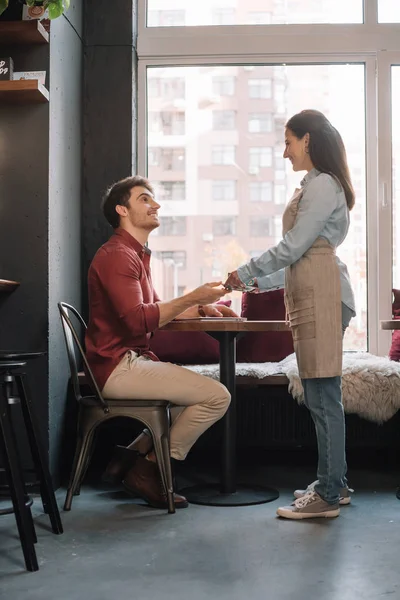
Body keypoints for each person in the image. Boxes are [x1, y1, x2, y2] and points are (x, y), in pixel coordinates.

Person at [225, 109, 356, 520]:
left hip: (321, 292)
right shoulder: (314, 185)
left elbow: (294, 247)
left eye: (288, 141)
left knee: (323, 396)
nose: (284, 152)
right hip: (311, 288)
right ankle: (335, 481)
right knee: (320, 396)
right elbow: (296, 260)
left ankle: (330, 495)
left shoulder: (322, 186)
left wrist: (244, 271)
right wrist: (248, 284)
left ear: (307, 140)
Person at [85, 175, 236, 510]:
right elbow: (139, 319)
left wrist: (200, 307)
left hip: (126, 361)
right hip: (115, 367)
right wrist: (192, 296)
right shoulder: (117, 256)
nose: (156, 205)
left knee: (191, 397)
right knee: (217, 396)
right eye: (144, 199)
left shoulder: (134, 254)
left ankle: (131, 457)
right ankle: (147, 468)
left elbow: (156, 312)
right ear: (122, 210)